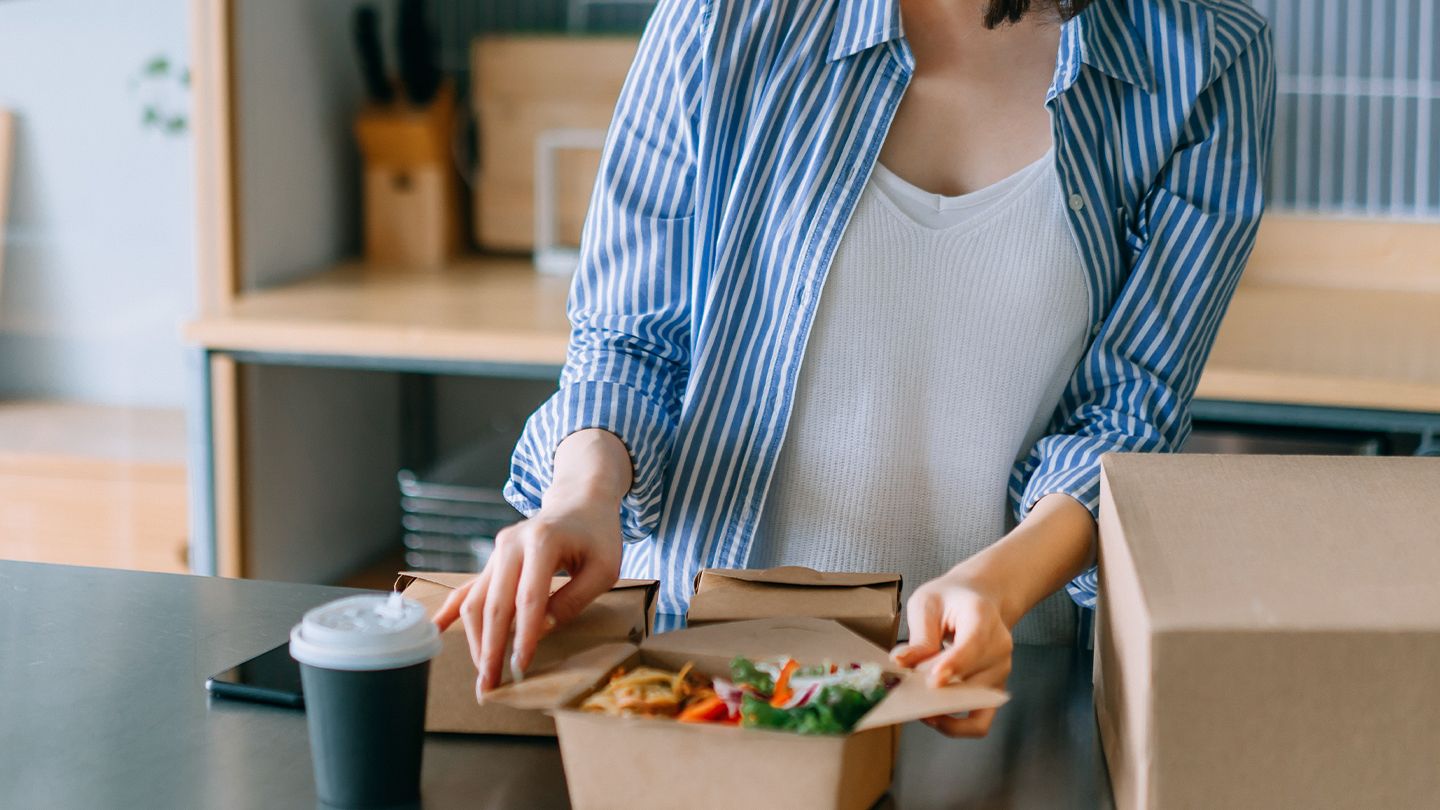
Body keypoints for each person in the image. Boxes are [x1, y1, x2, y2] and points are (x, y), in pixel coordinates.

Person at [436, 0, 1274, 737]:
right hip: (708, 687)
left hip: (979, 681)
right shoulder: (724, 18)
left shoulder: (1204, 61)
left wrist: (999, 587)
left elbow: (1124, 421)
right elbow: (629, 343)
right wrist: (585, 497)